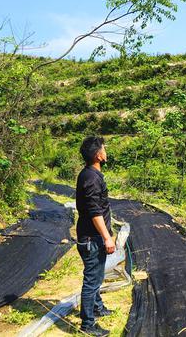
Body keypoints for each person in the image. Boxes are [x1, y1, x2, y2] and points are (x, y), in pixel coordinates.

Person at [75, 136, 116, 336]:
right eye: (104, 149)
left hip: (91, 237)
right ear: (99, 155)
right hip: (92, 239)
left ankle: (98, 308)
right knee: (92, 281)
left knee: (97, 276)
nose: (106, 152)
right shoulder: (91, 177)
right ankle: (87, 324)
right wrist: (107, 237)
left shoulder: (89, 174)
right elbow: (94, 212)